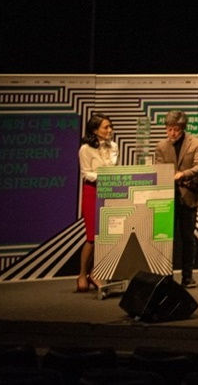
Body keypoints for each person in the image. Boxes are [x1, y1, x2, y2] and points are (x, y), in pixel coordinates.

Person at [154, 109, 198, 288]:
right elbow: (160, 168)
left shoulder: (196, 143)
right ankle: (166, 277)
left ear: (182, 128)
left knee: (187, 238)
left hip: (189, 196)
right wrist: (173, 175)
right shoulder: (161, 146)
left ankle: (187, 277)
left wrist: (183, 174)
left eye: (175, 129)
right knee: (167, 238)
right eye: (168, 129)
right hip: (167, 197)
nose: (172, 133)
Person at [77, 113, 117, 292]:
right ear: (95, 130)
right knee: (92, 237)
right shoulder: (85, 149)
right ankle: (82, 274)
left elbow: (113, 168)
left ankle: (96, 273)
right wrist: (106, 176)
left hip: (110, 191)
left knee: (107, 236)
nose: (110, 130)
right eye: (106, 127)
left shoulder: (114, 146)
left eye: (110, 127)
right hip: (92, 191)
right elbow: (87, 173)